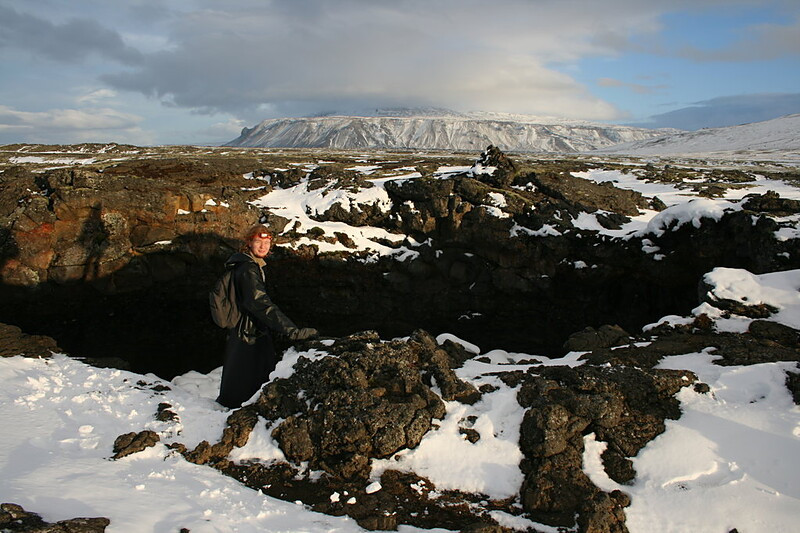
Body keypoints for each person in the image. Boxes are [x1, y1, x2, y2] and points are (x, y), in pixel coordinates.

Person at [216, 224, 317, 408]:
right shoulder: (248, 269)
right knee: (247, 386)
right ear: (249, 243)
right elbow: (259, 303)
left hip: (243, 332)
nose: (263, 246)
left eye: (266, 242)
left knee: (239, 382)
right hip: (248, 335)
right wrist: (290, 330)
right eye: (258, 241)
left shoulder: (247, 265)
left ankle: (231, 409)